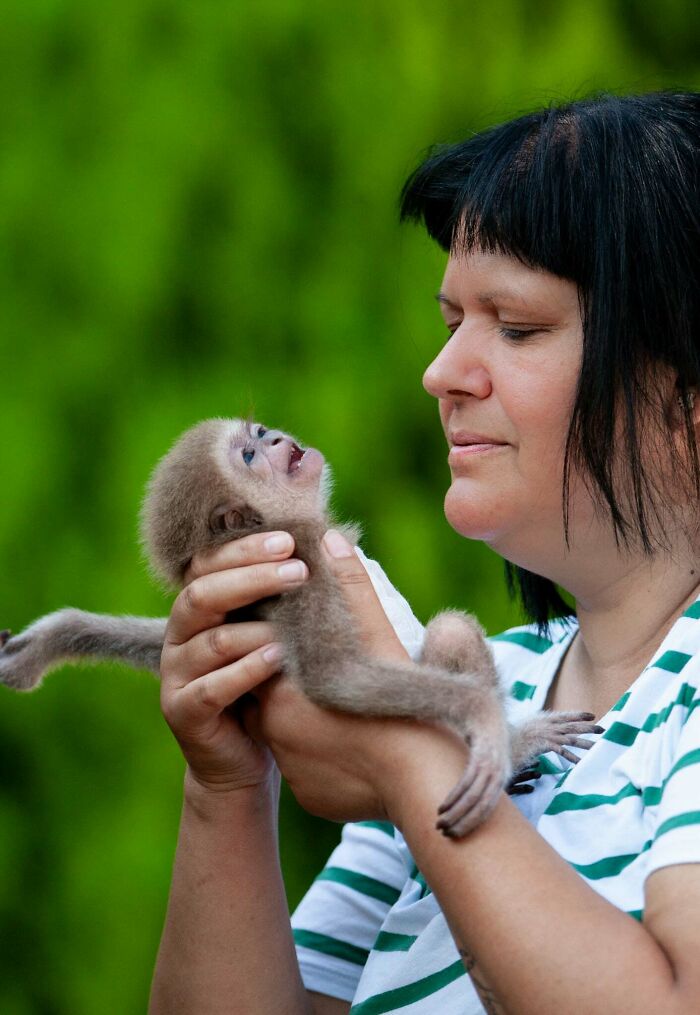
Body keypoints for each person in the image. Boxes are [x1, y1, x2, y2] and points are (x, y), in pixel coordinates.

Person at [148, 91, 700, 1014]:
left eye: (516, 327)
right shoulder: (498, 686)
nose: (441, 374)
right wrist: (227, 790)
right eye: (452, 325)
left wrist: (407, 752)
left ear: (686, 397)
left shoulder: (434, 745)